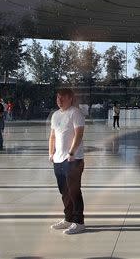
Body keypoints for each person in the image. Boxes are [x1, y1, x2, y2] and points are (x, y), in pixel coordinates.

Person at [49, 88, 86, 235]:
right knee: (64, 192)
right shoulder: (55, 115)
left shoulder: (75, 113)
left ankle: (79, 222)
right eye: (57, 98)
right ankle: (68, 219)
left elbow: (79, 134)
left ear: (70, 98)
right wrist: (51, 152)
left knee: (74, 191)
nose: (59, 100)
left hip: (73, 159)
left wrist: (71, 152)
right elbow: (52, 136)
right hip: (58, 159)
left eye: (62, 98)